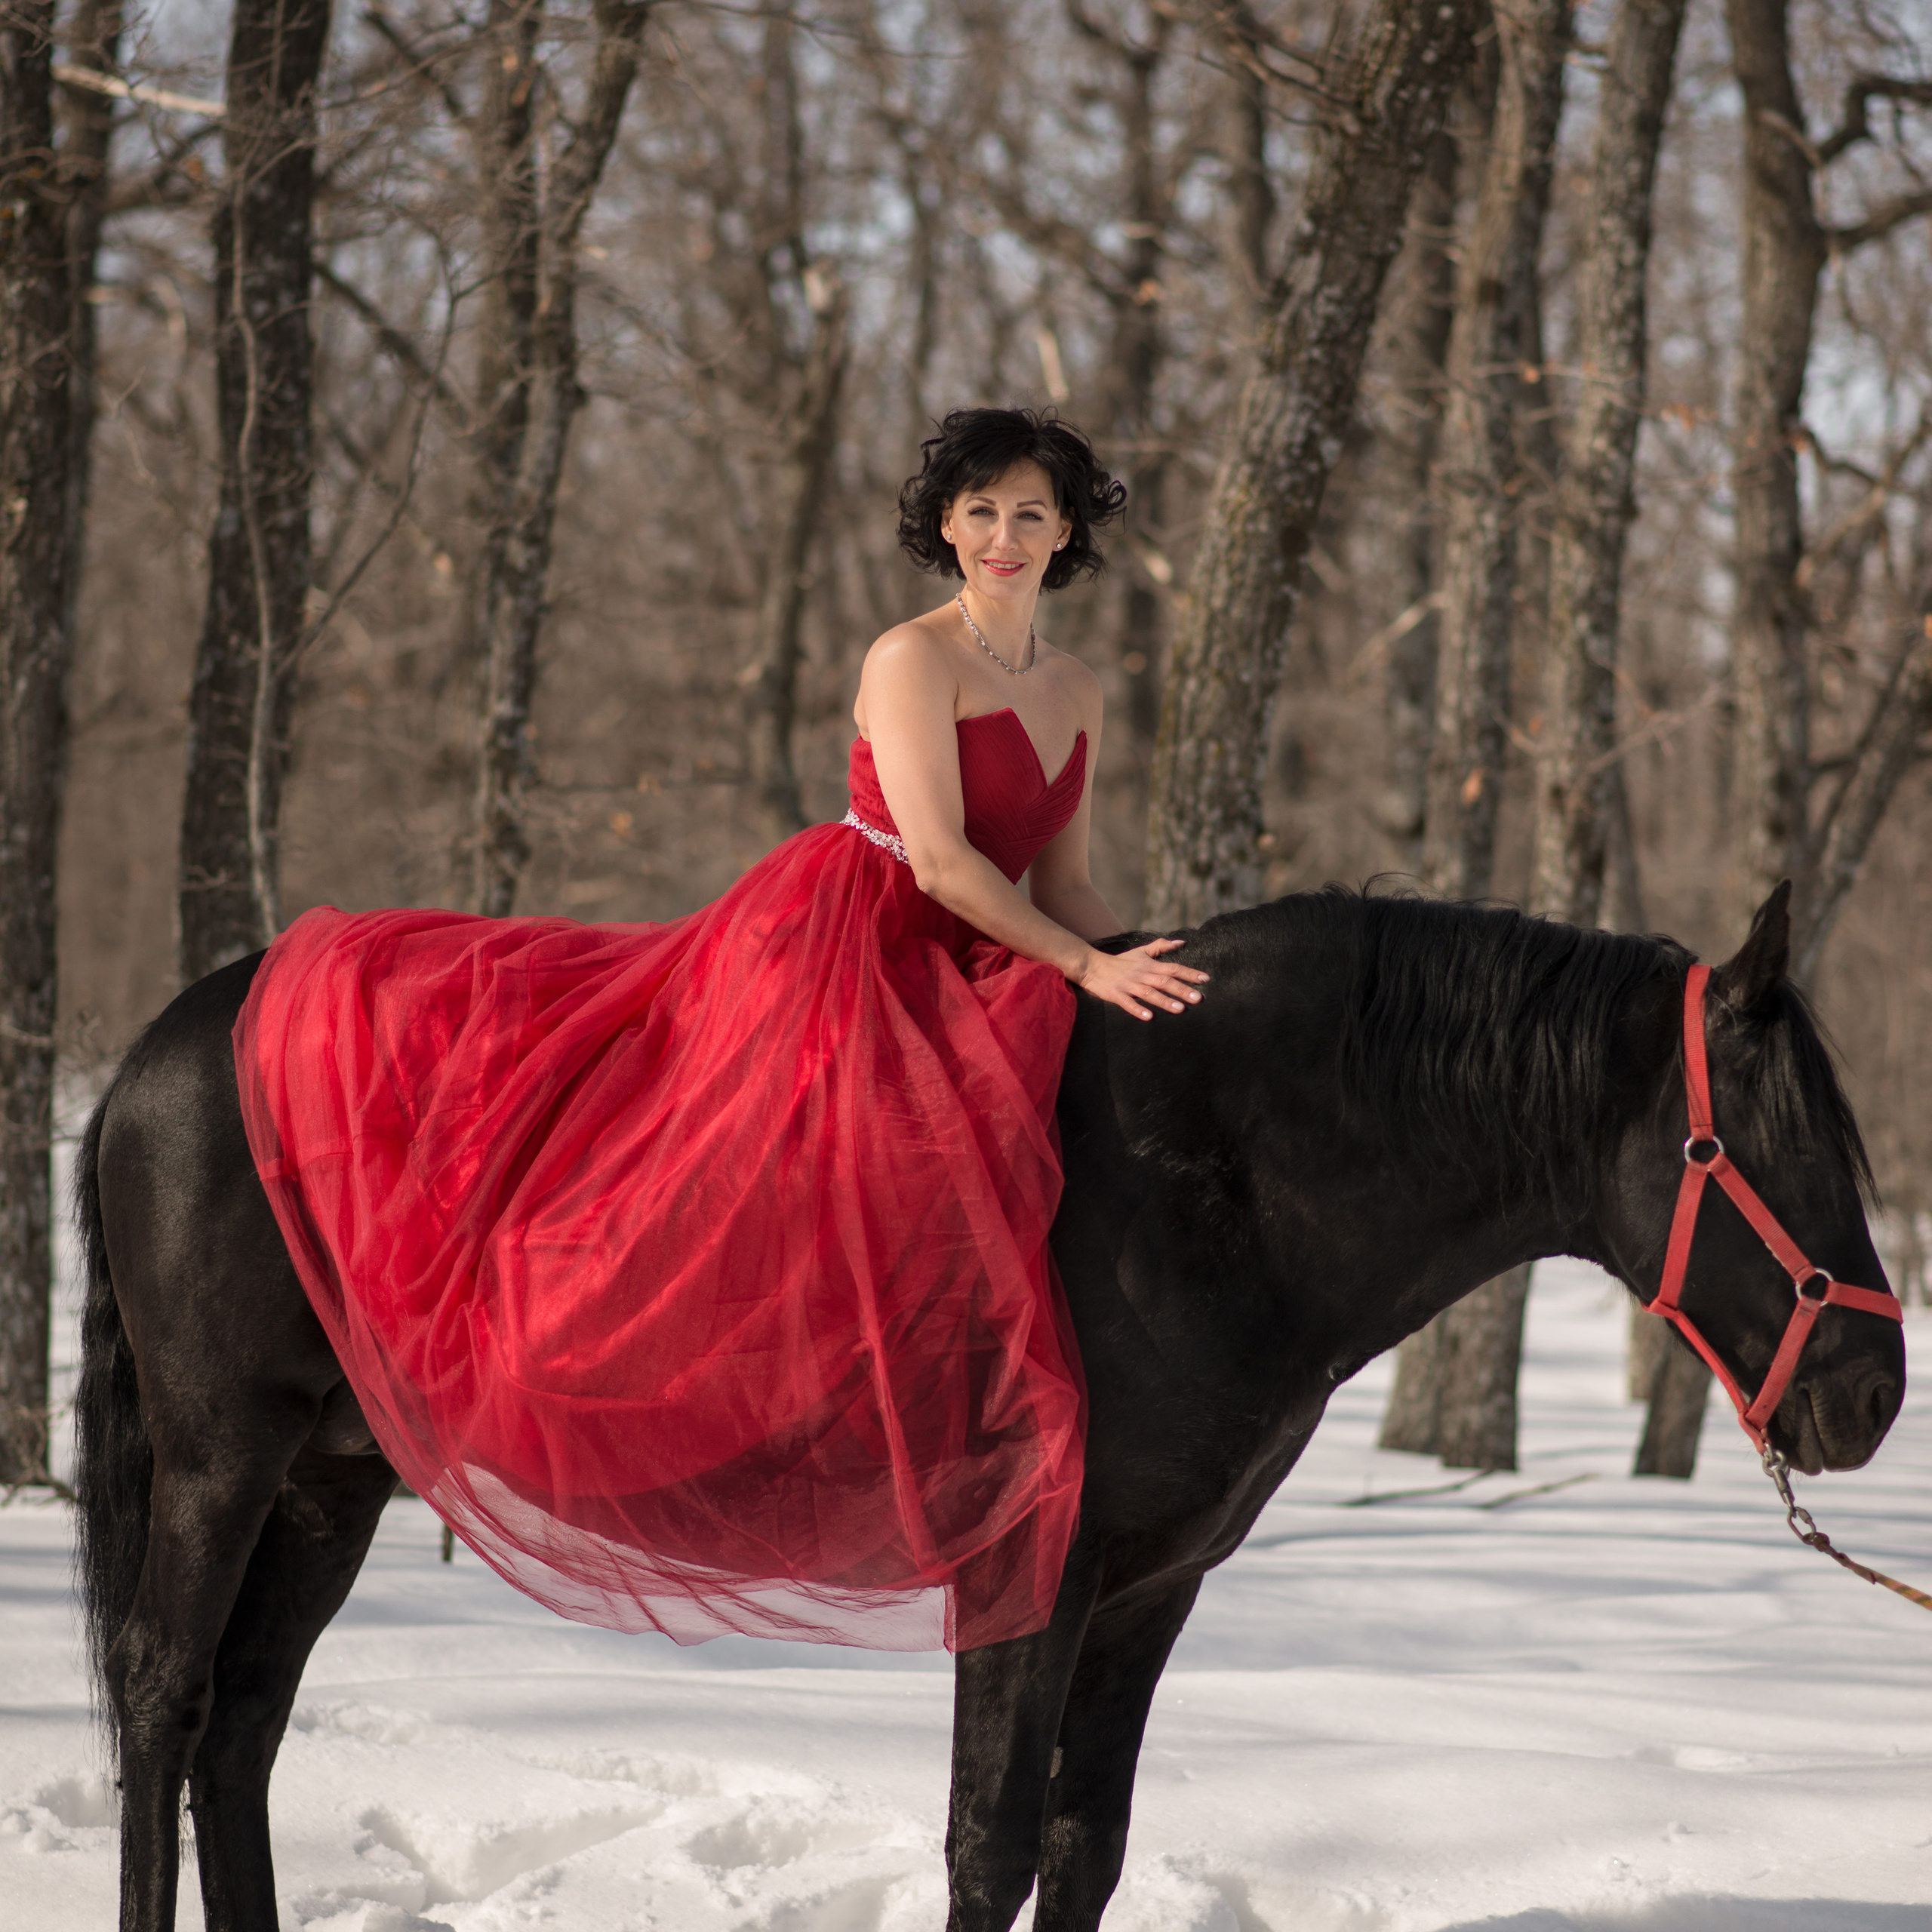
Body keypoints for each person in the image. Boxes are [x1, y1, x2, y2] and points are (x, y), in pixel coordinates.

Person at [233, 407, 1208, 1654]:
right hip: (860, 939)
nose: (1003, 537)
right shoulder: (911, 659)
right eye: (980, 512)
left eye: (1031, 513)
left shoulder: (1078, 689)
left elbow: (1063, 881)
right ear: (947, 527)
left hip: (994, 949)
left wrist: (1157, 969)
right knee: (843, 1161)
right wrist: (1076, 963)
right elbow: (944, 860)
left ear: (1067, 530)